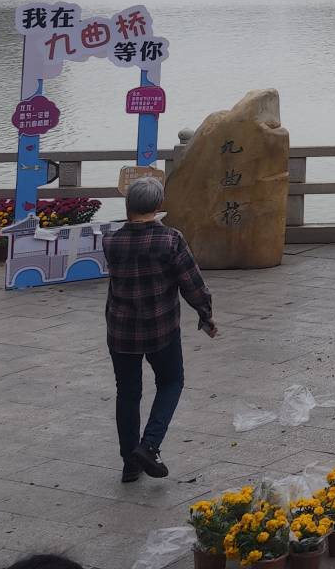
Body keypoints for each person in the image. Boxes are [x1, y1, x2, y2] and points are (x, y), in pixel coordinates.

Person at [106, 175, 216, 482]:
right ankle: (149, 445)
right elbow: (191, 283)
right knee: (171, 381)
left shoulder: (110, 240)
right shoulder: (170, 239)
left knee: (127, 393)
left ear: (128, 206)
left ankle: (130, 463)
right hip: (160, 328)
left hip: (121, 330)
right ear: (158, 205)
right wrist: (205, 314)